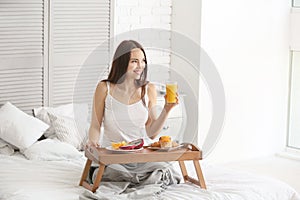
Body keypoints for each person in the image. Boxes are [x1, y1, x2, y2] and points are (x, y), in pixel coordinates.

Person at [86, 40, 181, 190]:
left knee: (165, 169)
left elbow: (151, 133)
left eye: (143, 61)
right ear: (122, 63)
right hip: (113, 156)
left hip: (142, 156)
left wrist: (167, 109)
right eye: (134, 61)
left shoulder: (149, 89)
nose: (140, 66)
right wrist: (93, 142)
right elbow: (95, 125)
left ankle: (136, 179)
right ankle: (138, 180)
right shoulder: (104, 88)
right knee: (110, 173)